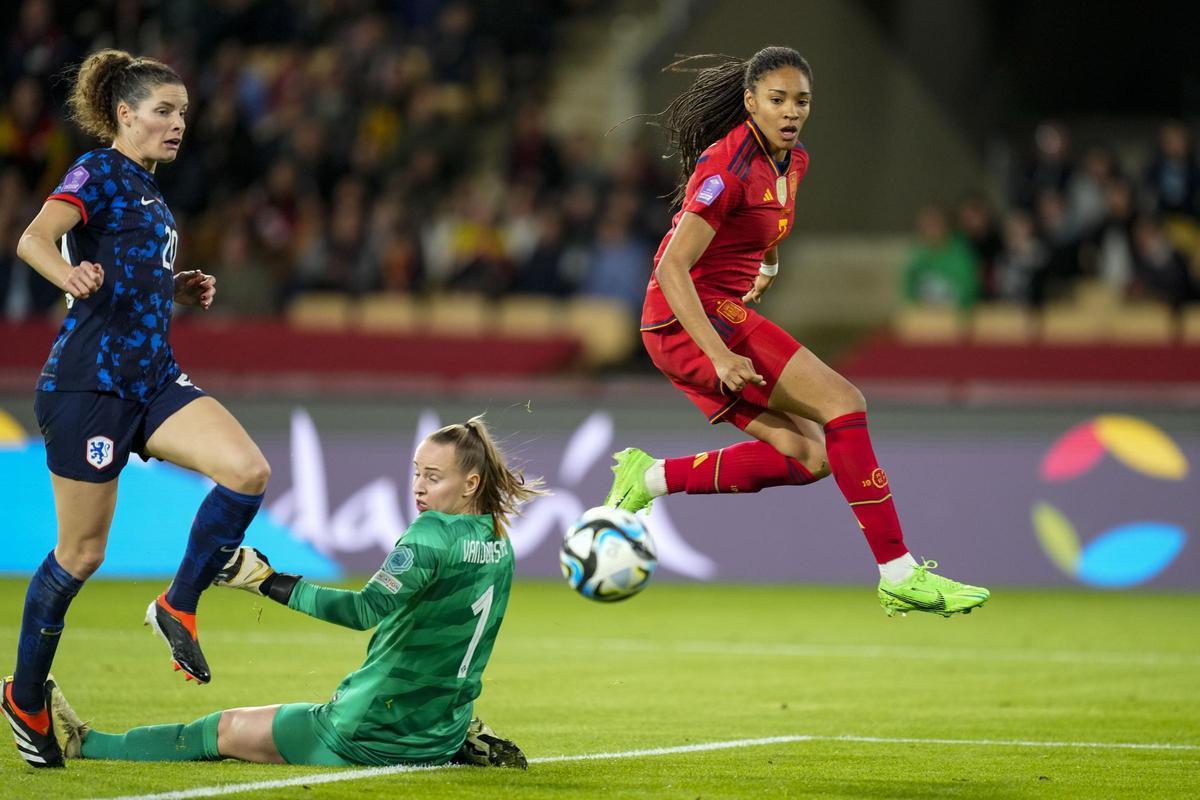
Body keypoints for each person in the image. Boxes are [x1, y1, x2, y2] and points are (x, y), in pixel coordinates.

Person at [603, 47, 989, 617]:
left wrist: (767, 264)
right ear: (750, 102)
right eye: (777, 100)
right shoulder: (726, 169)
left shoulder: (792, 159)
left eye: (801, 101)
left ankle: (650, 476)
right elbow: (670, 268)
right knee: (844, 404)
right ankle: (899, 572)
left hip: (714, 313)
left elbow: (767, 224)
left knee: (808, 456)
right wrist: (717, 356)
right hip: (689, 321)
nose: (791, 112)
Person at [2, 50, 272, 769]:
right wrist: (69, 271)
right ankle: (26, 696)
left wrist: (170, 286)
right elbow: (33, 237)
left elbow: (127, 270)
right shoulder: (96, 170)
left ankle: (178, 603)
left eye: (183, 112)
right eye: (164, 110)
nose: (178, 123)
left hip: (152, 380)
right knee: (82, 553)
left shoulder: (151, 194)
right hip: (89, 386)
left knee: (247, 471)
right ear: (125, 115)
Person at [48, 418, 537, 770]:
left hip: (369, 729)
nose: (419, 487)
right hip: (439, 726)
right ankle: (460, 739)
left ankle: (85, 743)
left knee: (220, 731)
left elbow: (363, 610)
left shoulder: (430, 535)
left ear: (471, 482)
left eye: (433, 477)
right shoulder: (499, 540)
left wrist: (267, 581)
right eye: (416, 472)